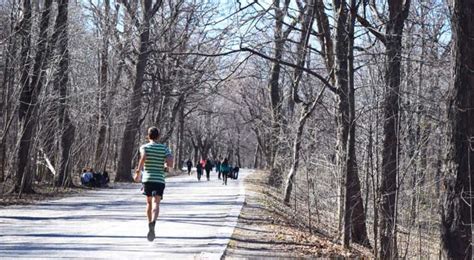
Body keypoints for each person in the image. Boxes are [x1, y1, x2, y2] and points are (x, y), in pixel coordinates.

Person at [133, 127, 173, 242]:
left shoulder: (144, 147)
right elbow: (170, 160)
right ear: (158, 136)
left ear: (148, 136)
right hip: (159, 179)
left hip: (148, 179)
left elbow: (143, 157)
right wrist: (167, 167)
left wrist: (138, 173)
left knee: (149, 202)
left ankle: (149, 223)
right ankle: (154, 223)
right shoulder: (164, 148)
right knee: (156, 202)